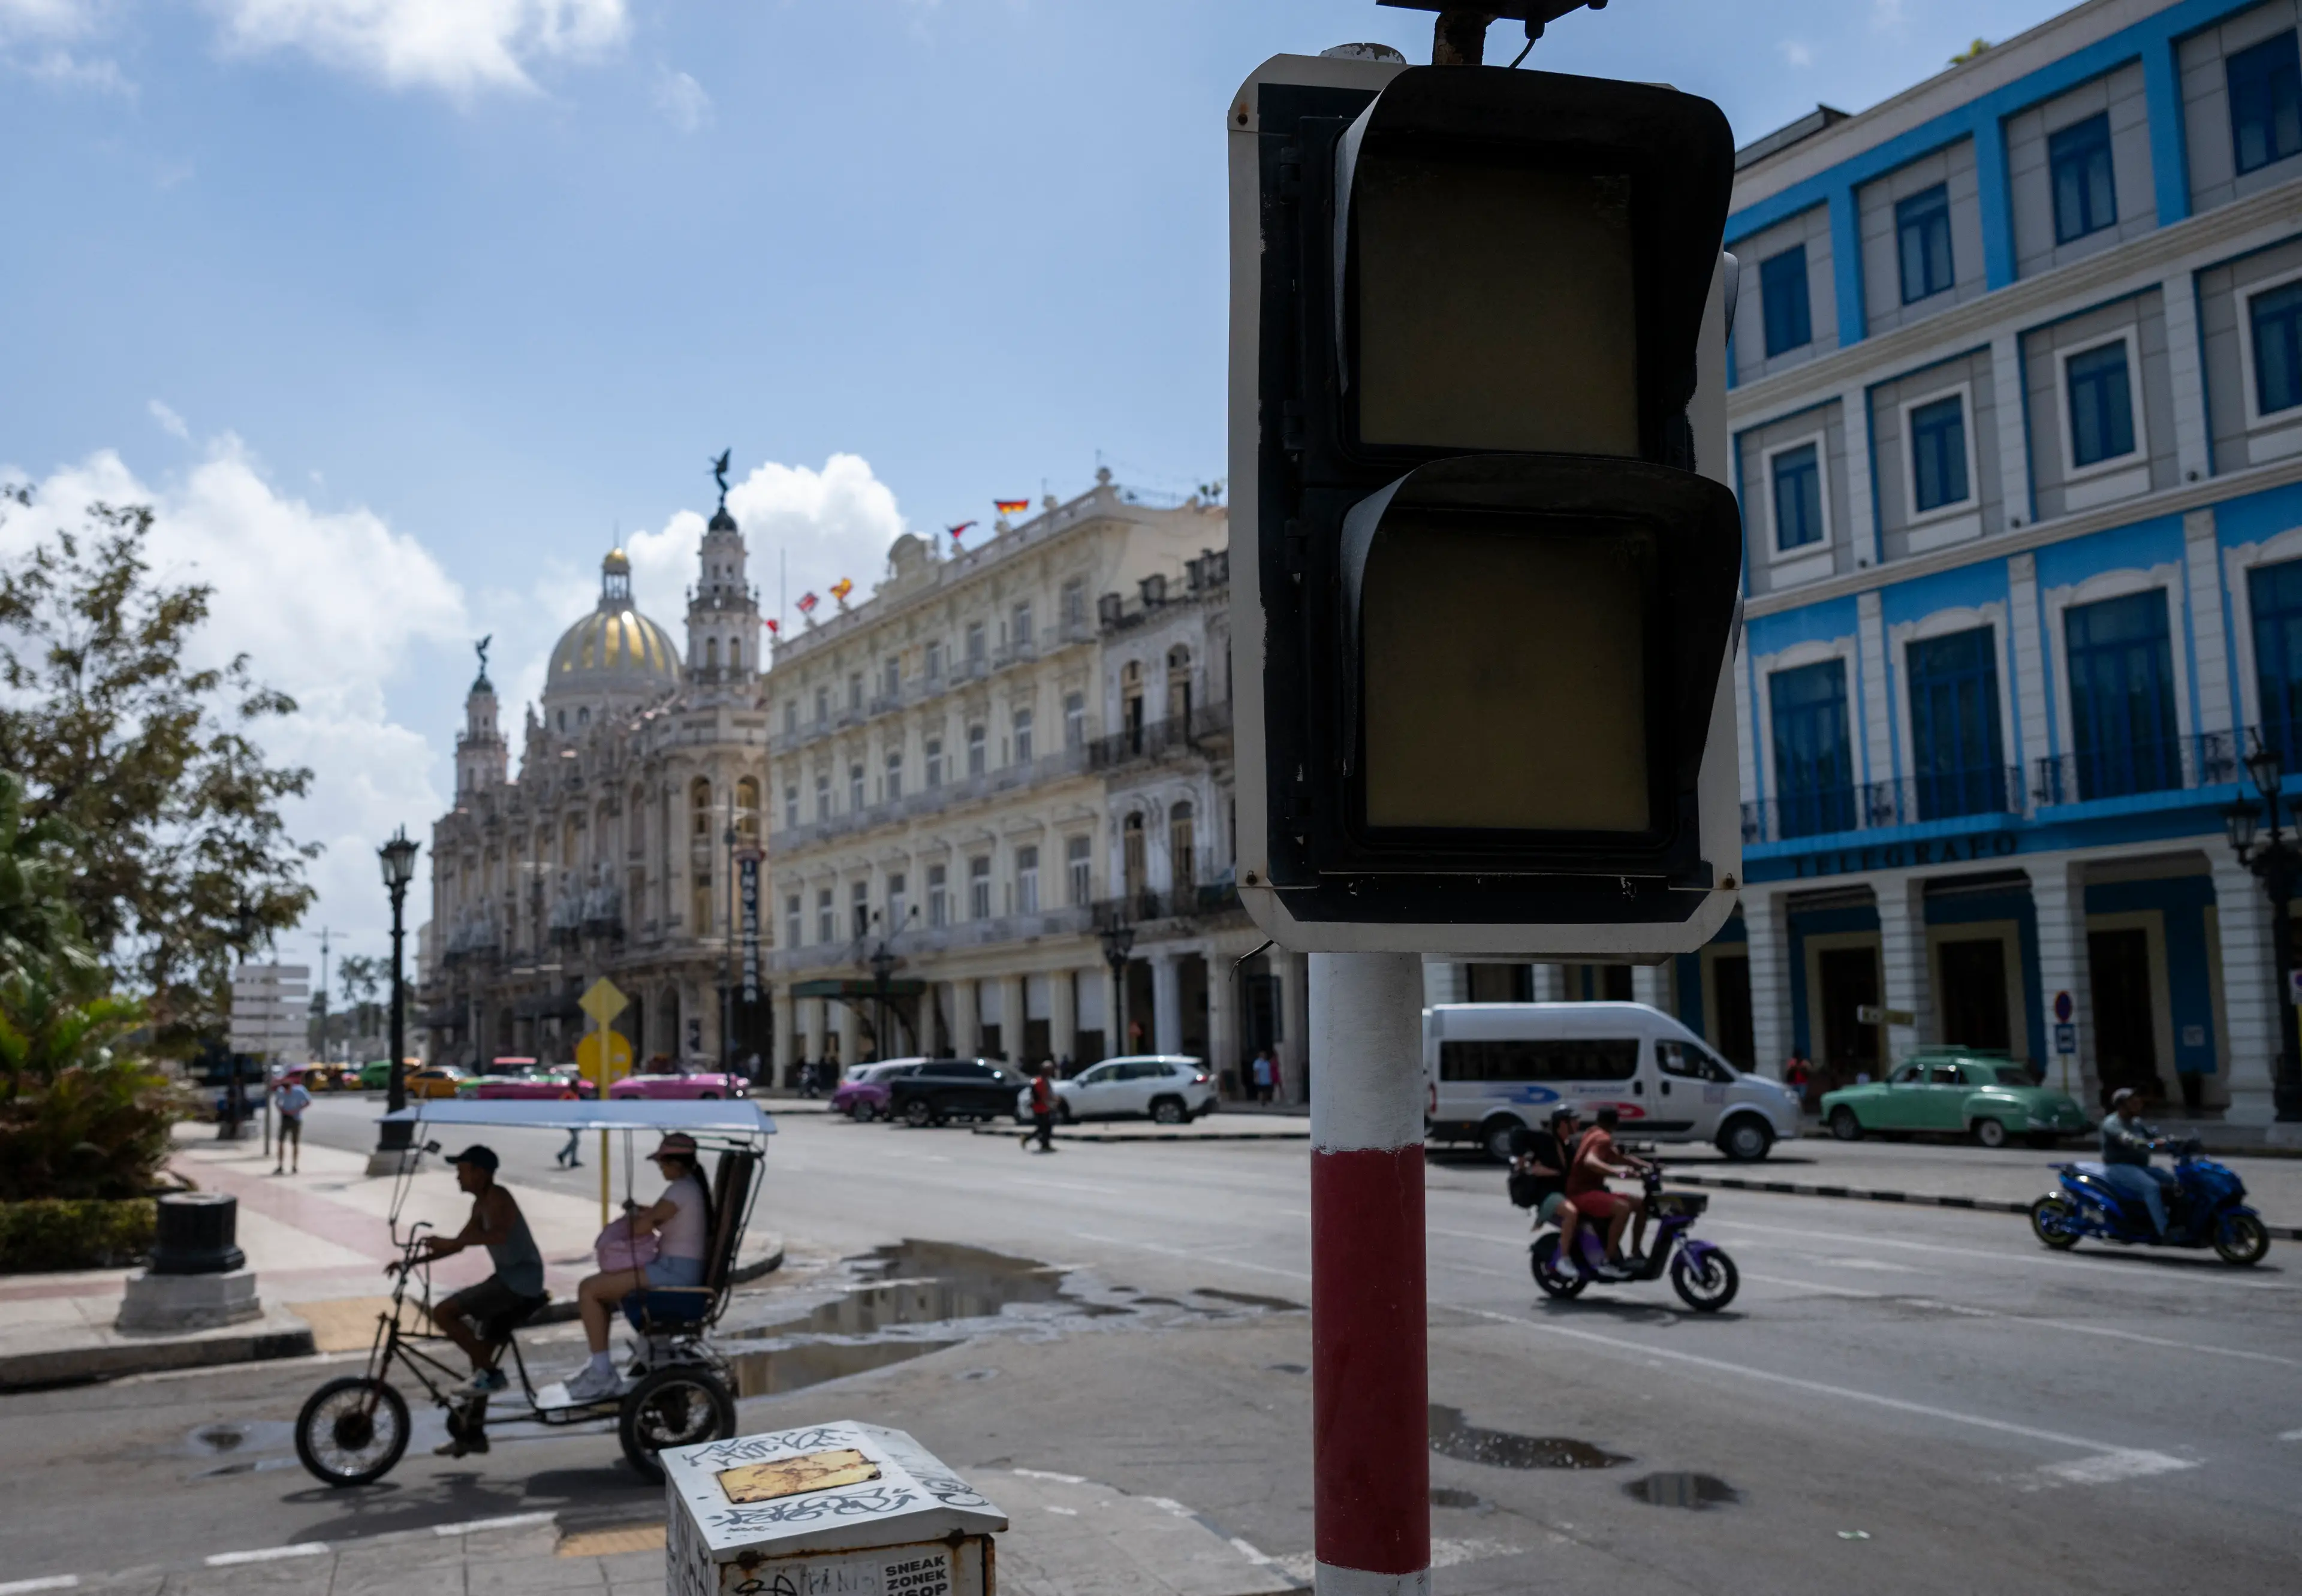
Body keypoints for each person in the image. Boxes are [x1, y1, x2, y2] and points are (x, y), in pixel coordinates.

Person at [565, 1133, 712, 1402]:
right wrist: (644, 1211)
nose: (661, 1169)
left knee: (589, 1290)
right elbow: (660, 1214)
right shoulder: (689, 1188)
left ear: (675, 1163)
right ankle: (602, 1366)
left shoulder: (680, 1190)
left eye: (663, 1164)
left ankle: (601, 1373)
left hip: (674, 1274)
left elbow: (642, 1228)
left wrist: (634, 1216)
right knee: (602, 1287)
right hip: (676, 1268)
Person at [412, 1146, 544, 1422]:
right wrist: (411, 1263)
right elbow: (459, 1245)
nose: (458, 1178)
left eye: (462, 1171)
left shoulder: (499, 1197)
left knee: (443, 1313)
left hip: (521, 1282)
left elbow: (497, 1235)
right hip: (507, 1279)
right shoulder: (480, 1204)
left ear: (481, 1173)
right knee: (479, 1356)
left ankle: (492, 1375)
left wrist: (450, 1242)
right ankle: (472, 1431)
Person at [1565, 1107, 1653, 1276]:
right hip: (1580, 1194)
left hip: (1592, 1191)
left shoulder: (1594, 1133)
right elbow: (1591, 1162)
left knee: (1641, 1204)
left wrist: (1646, 1166)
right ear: (1616, 1123)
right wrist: (1617, 1172)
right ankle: (1608, 1259)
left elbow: (1618, 1157)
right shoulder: (1602, 1139)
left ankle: (1635, 1252)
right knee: (1622, 1209)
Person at [2100, 1088, 2177, 1238]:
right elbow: (2127, 1139)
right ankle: (2164, 1231)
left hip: (2139, 1167)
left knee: (2173, 1181)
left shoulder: (2136, 1123)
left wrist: (2173, 1141)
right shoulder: (2112, 1123)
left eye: (2138, 1102)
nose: (2138, 1105)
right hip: (2118, 1167)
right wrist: (2149, 1144)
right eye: (2133, 1103)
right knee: (2151, 1187)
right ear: (2122, 1106)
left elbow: (2153, 1136)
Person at [1511, 1106, 1581, 1256]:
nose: (1578, 1124)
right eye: (1574, 1121)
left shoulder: (1569, 1147)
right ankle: (1563, 1259)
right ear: (1563, 1124)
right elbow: (1516, 1134)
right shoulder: (1545, 1139)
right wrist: (1523, 1165)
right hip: (1546, 1195)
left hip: (1562, 1193)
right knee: (1571, 1213)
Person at [272, 1073, 311, 1175]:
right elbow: (277, 1102)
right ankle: (280, 1165)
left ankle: (294, 1166)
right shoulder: (281, 1091)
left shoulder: (299, 1091)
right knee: (281, 1141)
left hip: (296, 1118)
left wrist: (297, 1110)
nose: (286, 1092)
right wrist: (282, 1110)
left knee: (295, 1143)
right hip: (285, 1117)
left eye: (288, 1090)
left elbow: (308, 1102)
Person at [1022, 1061, 1058, 1153]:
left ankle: (1043, 1143)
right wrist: (1049, 1104)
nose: (1051, 1071)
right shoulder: (1039, 1082)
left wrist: (1055, 1100)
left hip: (1045, 1107)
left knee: (1045, 1127)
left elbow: (1048, 1094)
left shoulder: (1046, 1081)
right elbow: (1041, 1096)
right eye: (1049, 1070)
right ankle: (1042, 1143)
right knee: (1044, 1128)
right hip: (1039, 1108)